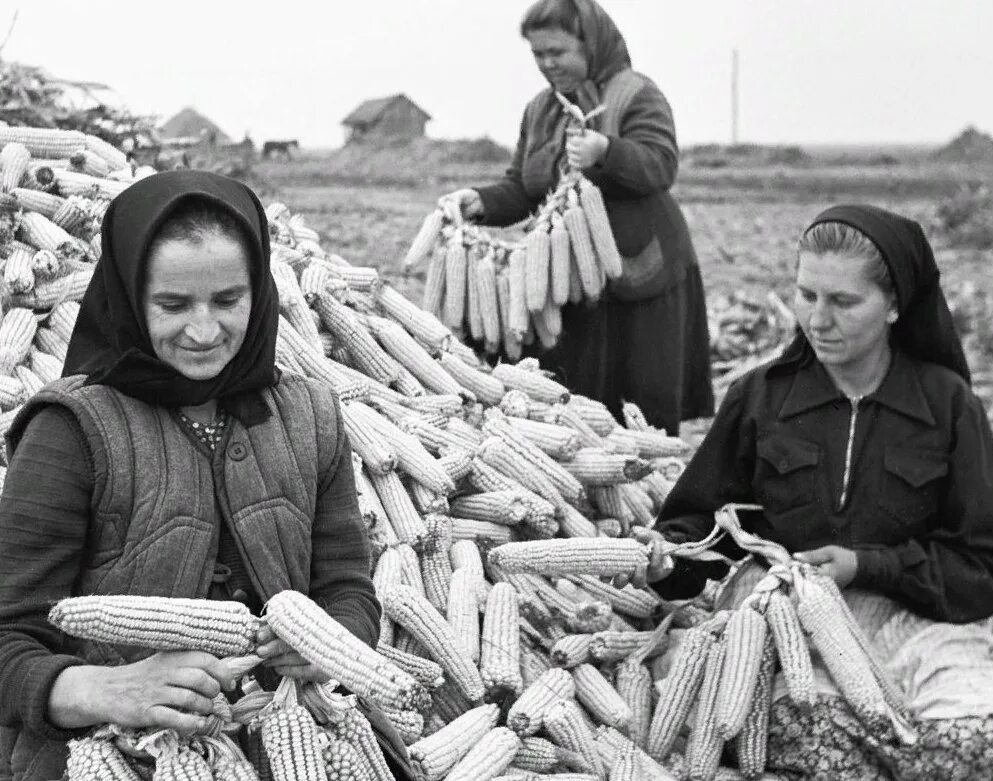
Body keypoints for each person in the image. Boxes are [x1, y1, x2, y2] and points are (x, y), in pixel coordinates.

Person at [0, 171, 404, 780]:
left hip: (290, 739)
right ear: (128, 297)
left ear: (259, 292)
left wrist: (330, 644)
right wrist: (107, 689)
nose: (204, 331)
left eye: (227, 300)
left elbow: (346, 587)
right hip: (115, 752)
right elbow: (8, 637)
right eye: (172, 305)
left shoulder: (310, 415)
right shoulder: (71, 429)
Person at [647, 204, 993, 778]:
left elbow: (983, 568)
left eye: (843, 302)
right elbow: (701, 526)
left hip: (915, 619)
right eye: (807, 295)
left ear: (896, 304)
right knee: (814, 735)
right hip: (789, 627)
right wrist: (663, 560)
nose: (816, 320)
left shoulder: (949, 406)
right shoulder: (761, 397)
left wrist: (868, 567)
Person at [447, 0, 714, 435]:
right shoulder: (541, 110)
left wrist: (607, 151)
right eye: (538, 54)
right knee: (575, 404)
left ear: (591, 44)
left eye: (558, 52)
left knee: (637, 412)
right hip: (570, 279)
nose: (547, 64)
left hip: (639, 275)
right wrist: (479, 201)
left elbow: (661, 166)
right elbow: (524, 187)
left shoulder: (635, 94)